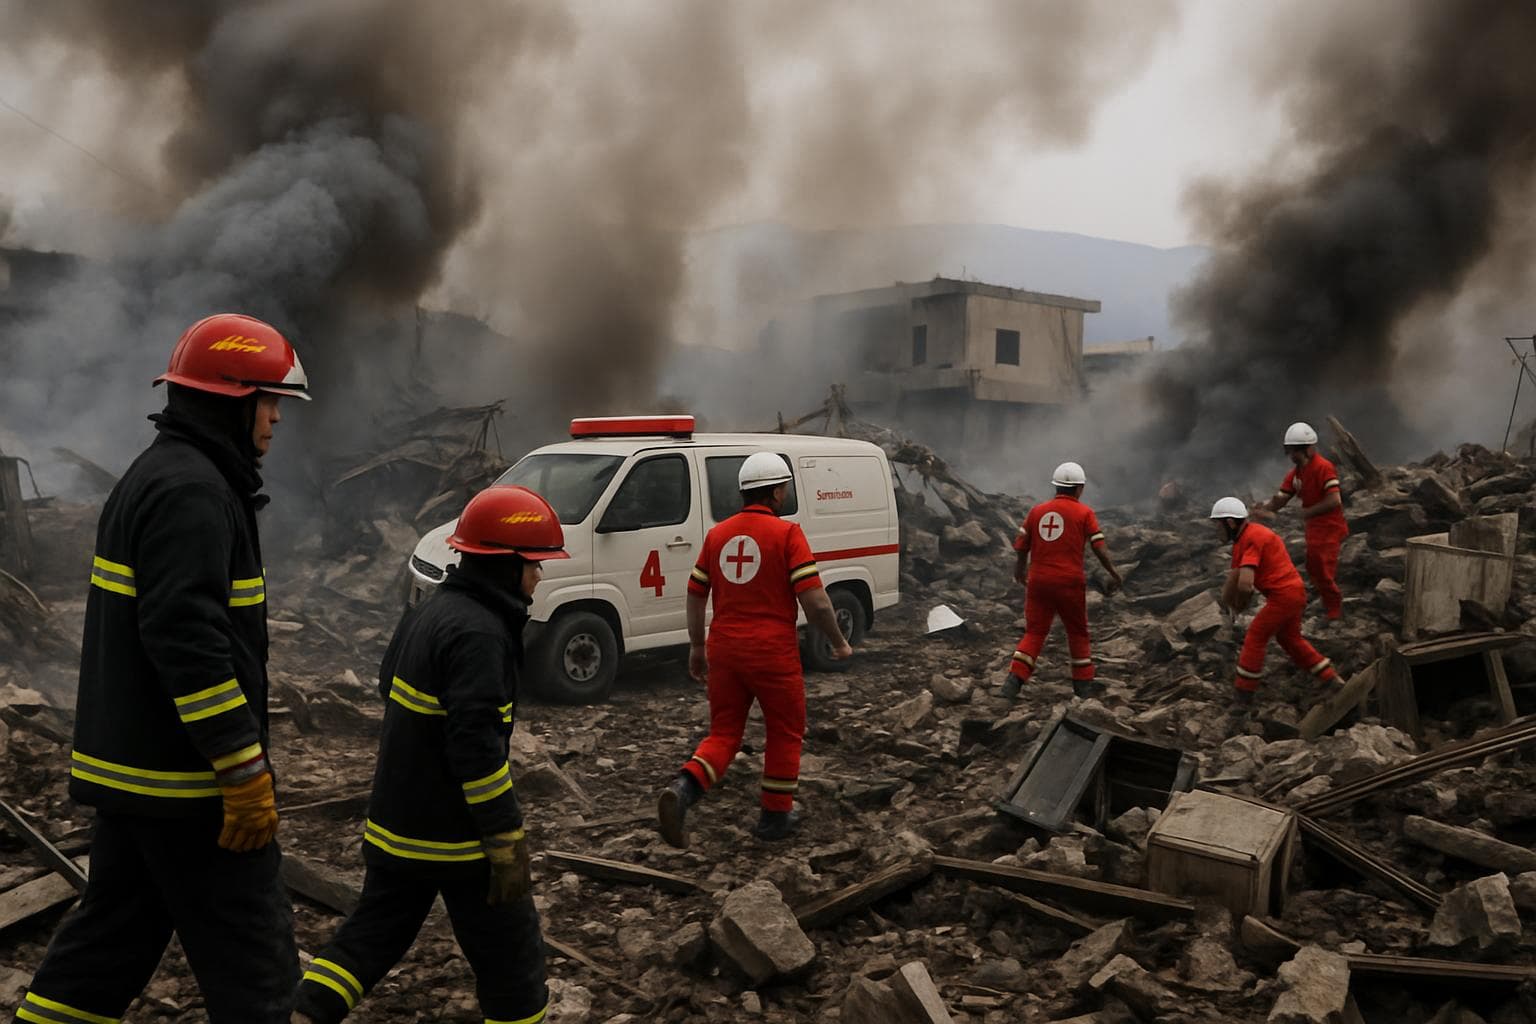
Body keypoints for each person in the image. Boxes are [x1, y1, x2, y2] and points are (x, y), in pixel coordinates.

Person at [15, 313, 310, 1024]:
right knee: (260, 974)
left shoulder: (162, 475)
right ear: (233, 400)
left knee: (104, 952)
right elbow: (187, 638)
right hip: (187, 787)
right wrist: (241, 771)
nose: (275, 419)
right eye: (269, 402)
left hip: (136, 776)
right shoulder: (194, 493)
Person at [291, 485, 564, 1024]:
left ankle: (303, 1012)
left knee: (368, 940)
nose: (540, 576)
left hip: (396, 824)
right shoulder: (482, 633)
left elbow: (385, 680)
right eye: (535, 564)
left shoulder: (432, 609)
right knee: (515, 961)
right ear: (507, 565)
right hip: (457, 839)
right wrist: (505, 837)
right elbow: (476, 748)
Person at [656, 451, 851, 847]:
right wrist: (839, 641)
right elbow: (815, 602)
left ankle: (684, 788)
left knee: (725, 732)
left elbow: (695, 594)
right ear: (778, 492)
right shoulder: (787, 535)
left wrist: (697, 646)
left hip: (724, 650)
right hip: (772, 652)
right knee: (785, 730)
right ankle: (775, 818)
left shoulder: (717, 535)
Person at [1002, 462, 1123, 700]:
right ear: (1080, 488)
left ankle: (1012, 683)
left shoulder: (1037, 511)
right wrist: (1113, 572)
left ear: (1056, 487)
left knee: (1035, 632)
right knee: (1077, 632)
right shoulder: (1085, 513)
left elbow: (1020, 547)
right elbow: (1099, 547)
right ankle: (1083, 686)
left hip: (1038, 582)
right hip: (1070, 583)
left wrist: (1019, 572)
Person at [1210, 497, 1339, 714]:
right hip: (1293, 593)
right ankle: (1330, 680)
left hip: (1283, 596)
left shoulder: (1252, 538)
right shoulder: (1245, 538)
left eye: (1217, 524)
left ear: (1230, 523)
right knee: (1289, 638)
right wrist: (1229, 602)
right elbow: (1233, 578)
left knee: (1255, 636)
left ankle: (1243, 697)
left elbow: (1245, 582)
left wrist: (1240, 604)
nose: (1216, 530)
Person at [1253, 422, 1349, 626]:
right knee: (1313, 567)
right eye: (1290, 451)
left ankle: (1335, 609)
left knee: (1323, 567)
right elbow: (1281, 498)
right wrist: (1265, 509)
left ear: (1309, 448)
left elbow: (1334, 500)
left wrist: (1306, 512)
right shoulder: (1296, 474)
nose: (1292, 456)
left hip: (1330, 526)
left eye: (1295, 451)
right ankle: (1325, 600)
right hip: (1314, 528)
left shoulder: (1324, 468)